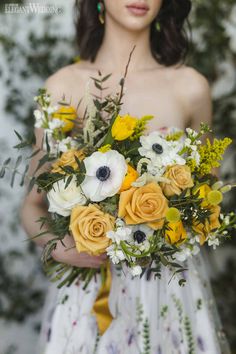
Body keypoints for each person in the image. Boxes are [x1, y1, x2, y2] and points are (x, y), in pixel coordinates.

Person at [21, 1, 231, 353]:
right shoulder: (62, 88)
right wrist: (62, 248)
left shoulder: (191, 87)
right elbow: (32, 205)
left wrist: (164, 217)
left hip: (169, 288)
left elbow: (206, 202)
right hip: (93, 292)